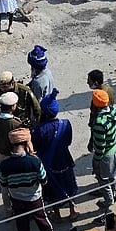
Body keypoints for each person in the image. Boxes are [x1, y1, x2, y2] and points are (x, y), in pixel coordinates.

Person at [0, 128, 58, 231]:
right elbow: (44, 180)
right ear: (27, 142)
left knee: (22, 227)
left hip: (16, 199)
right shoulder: (34, 162)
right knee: (42, 220)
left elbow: (4, 183)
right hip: (34, 198)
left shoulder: (5, 164)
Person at [32, 89, 79, 221]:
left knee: (52, 189)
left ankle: (57, 214)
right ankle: (73, 209)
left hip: (49, 164)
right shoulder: (66, 124)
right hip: (65, 160)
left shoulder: (39, 130)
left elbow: (36, 147)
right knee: (69, 185)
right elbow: (68, 141)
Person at [0, 90, 24, 214]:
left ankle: (8, 209)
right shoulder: (16, 123)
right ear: (13, 107)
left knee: (4, 183)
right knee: (16, 182)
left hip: (0, 154)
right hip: (13, 157)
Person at [91, 88, 116, 223]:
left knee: (104, 183)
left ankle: (109, 209)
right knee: (112, 178)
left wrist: (96, 161)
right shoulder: (115, 112)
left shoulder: (99, 123)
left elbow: (100, 147)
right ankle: (112, 198)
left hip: (105, 157)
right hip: (114, 150)